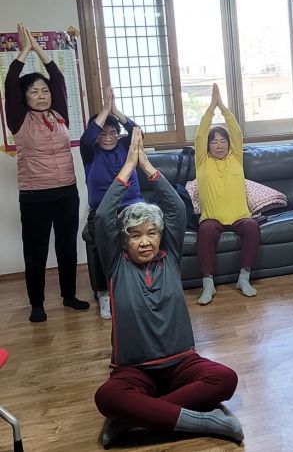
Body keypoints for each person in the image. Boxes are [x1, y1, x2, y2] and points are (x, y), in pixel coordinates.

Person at [93, 128, 243, 447]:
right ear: (124, 241)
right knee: (106, 397)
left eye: (151, 233)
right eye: (135, 235)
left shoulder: (170, 257)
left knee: (225, 379)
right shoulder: (116, 264)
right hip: (134, 370)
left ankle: (132, 417)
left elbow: (176, 208)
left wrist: (147, 166)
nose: (145, 241)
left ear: (161, 236)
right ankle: (206, 421)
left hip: (181, 364)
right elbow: (104, 216)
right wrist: (129, 165)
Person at [4, 23, 88, 322]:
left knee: (67, 247)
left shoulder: (60, 114)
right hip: (35, 195)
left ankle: (69, 296)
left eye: (44, 91)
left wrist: (40, 50)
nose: (41, 95)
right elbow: (10, 83)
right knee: (36, 251)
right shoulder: (19, 120)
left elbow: (59, 79)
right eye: (34, 92)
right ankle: (37, 304)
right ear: (25, 98)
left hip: (66, 191)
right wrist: (24, 51)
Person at [80, 86, 142, 320]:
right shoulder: (90, 152)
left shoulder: (126, 146)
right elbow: (87, 137)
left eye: (112, 133)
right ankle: (104, 293)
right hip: (102, 210)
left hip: (133, 206)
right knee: (99, 242)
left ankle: (139, 286)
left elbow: (137, 131)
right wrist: (105, 110)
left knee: (144, 235)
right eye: (102, 133)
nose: (107, 138)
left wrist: (116, 111)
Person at [194, 83, 260, 305]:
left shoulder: (236, 158)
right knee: (205, 231)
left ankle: (244, 278)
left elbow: (237, 133)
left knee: (252, 227)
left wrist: (223, 107)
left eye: (223, 141)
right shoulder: (202, 162)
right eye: (214, 142)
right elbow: (200, 136)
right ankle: (208, 284)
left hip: (240, 216)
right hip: (212, 218)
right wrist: (211, 108)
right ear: (208, 146)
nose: (219, 145)